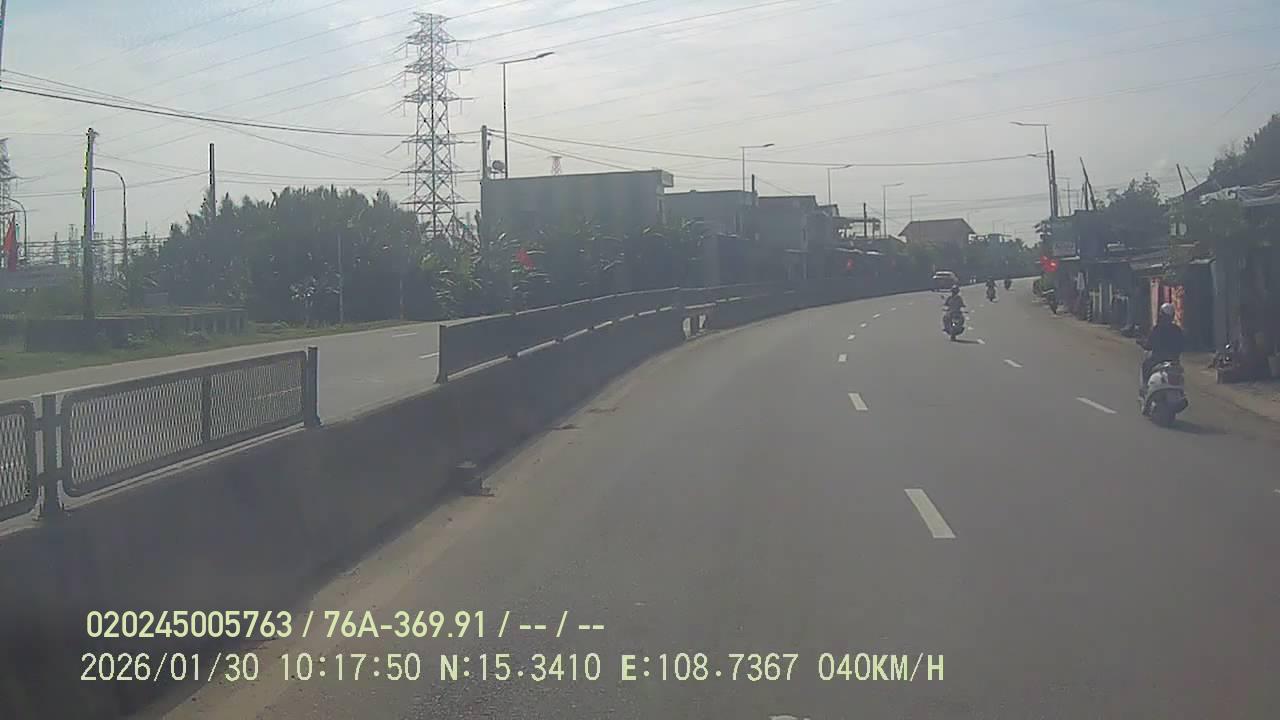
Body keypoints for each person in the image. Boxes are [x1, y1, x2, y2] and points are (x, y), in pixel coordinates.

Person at [1140, 302, 1184, 395]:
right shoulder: (1177, 330)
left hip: (1158, 359)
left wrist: (1143, 343)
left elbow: (1149, 345)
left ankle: (1145, 387)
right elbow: (1182, 346)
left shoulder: (1157, 329)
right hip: (1174, 361)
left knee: (1145, 365)